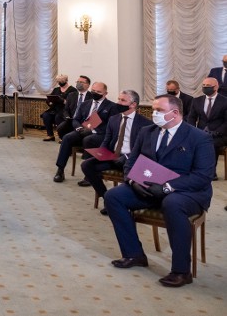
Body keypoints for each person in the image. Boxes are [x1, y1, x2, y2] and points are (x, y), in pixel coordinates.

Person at [104, 94, 215, 288]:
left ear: (175, 113)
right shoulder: (147, 131)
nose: (154, 114)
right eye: (154, 110)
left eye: (160, 111)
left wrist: (167, 187)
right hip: (149, 188)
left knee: (172, 203)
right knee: (113, 196)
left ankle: (182, 271)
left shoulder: (199, 137)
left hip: (186, 192)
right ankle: (134, 254)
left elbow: (202, 176)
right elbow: (131, 162)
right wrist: (132, 181)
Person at [80, 90, 152, 212]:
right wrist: (101, 152)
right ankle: (107, 199)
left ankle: (123, 203)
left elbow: (145, 148)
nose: (118, 102)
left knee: (130, 174)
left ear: (133, 104)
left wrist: (127, 157)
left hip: (130, 159)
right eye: (118, 99)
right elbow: (107, 140)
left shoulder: (145, 123)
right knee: (87, 165)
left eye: (123, 100)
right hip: (112, 156)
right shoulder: (114, 119)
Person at [53, 81, 116, 183]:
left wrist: (93, 130)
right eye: (93, 91)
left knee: (89, 139)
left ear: (105, 93)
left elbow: (112, 125)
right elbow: (76, 119)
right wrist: (78, 128)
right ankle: (60, 170)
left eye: (98, 91)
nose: (95, 93)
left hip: (99, 134)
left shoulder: (111, 106)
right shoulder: (85, 104)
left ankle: (89, 175)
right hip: (82, 130)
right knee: (67, 138)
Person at [187, 77, 227, 159]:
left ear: (216, 87)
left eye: (208, 85)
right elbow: (191, 117)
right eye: (203, 85)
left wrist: (216, 132)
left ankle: (210, 170)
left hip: (218, 135)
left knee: (209, 145)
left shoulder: (224, 101)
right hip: (200, 132)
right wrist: (193, 130)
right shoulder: (196, 101)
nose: (205, 87)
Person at [41, 74, 75, 141]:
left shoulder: (72, 90)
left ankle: (62, 136)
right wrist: (49, 102)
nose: (60, 83)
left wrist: (63, 101)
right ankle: (50, 135)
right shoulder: (56, 89)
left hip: (65, 110)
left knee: (58, 117)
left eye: (61, 81)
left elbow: (72, 102)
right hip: (55, 108)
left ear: (66, 81)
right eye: (58, 81)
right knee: (46, 115)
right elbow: (50, 98)